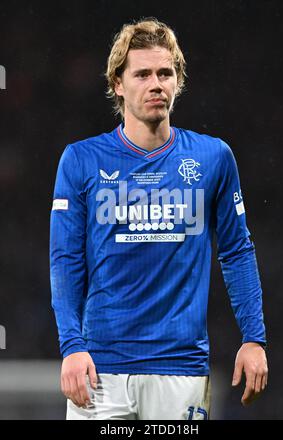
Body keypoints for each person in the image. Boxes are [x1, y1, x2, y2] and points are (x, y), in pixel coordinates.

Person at [49, 17, 268, 420]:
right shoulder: (80, 160)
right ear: (118, 83)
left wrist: (254, 337)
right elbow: (65, 260)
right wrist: (72, 346)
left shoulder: (212, 157)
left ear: (177, 81)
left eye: (166, 73)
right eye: (143, 73)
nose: (156, 83)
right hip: (101, 369)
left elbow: (237, 251)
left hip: (180, 370)